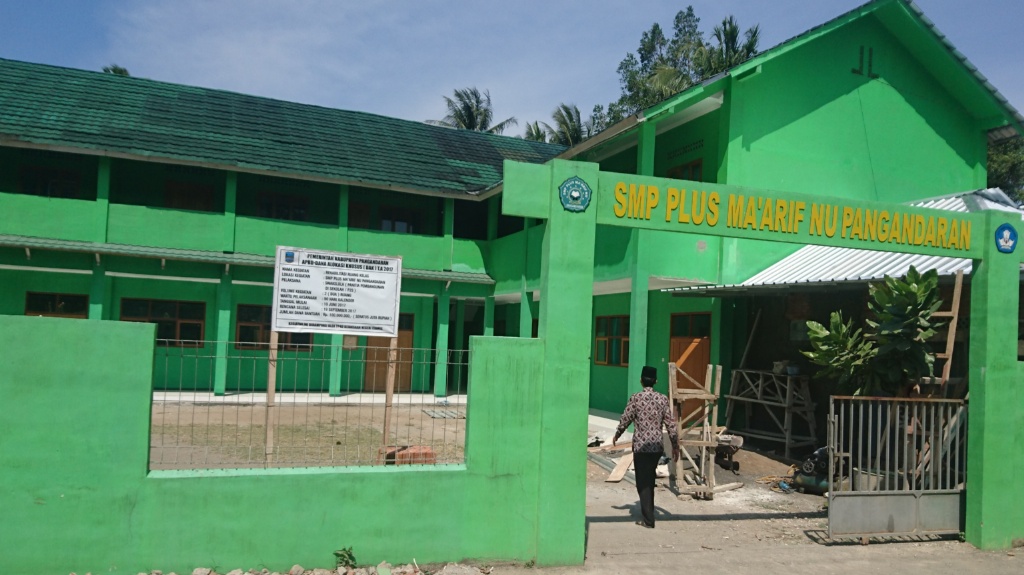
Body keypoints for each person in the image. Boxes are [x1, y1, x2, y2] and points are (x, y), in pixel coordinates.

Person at [612, 365, 679, 528]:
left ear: (641, 380)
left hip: (641, 447)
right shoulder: (663, 399)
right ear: (655, 381)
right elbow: (671, 424)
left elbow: (626, 418)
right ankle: (649, 512)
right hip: (656, 447)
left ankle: (648, 520)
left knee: (643, 483)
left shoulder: (636, 398)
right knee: (649, 479)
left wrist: (618, 433)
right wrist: (675, 445)